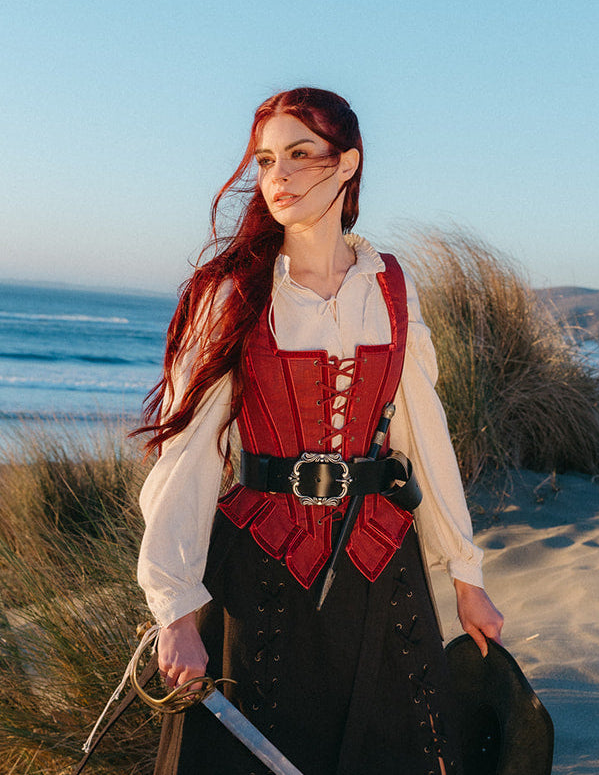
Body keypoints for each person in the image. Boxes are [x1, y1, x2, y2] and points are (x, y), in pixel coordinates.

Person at [136, 87, 503, 775]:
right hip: (258, 569)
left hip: (380, 563)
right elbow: (183, 454)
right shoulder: (232, 291)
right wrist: (174, 608)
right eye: (267, 159)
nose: (277, 176)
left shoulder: (390, 284)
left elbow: (425, 433)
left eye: (301, 155)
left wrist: (466, 574)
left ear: (347, 165)